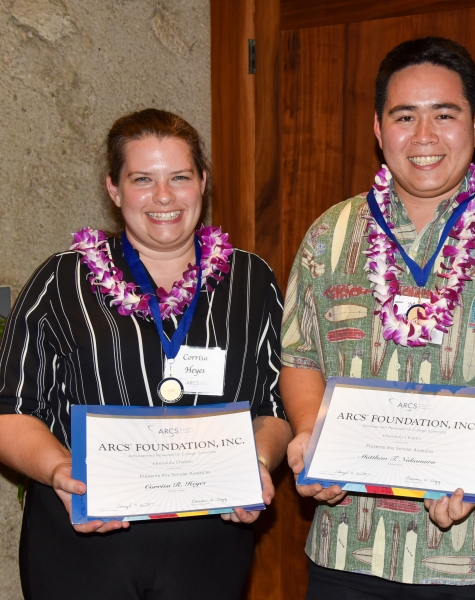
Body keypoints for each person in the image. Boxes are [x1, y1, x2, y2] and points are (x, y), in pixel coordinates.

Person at [280, 37, 475, 599]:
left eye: (445, 114)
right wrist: (310, 432)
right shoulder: (329, 235)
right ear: (377, 128)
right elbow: (299, 358)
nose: (424, 137)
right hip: (347, 545)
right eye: (404, 117)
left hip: (472, 550)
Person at [0, 109, 292, 600]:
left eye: (179, 177)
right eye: (143, 179)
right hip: (83, 540)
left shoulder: (251, 281)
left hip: (210, 546)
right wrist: (58, 470)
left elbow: (274, 406)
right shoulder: (61, 281)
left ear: (202, 182)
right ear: (113, 189)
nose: (163, 197)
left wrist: (257, 462)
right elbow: (11, 411)